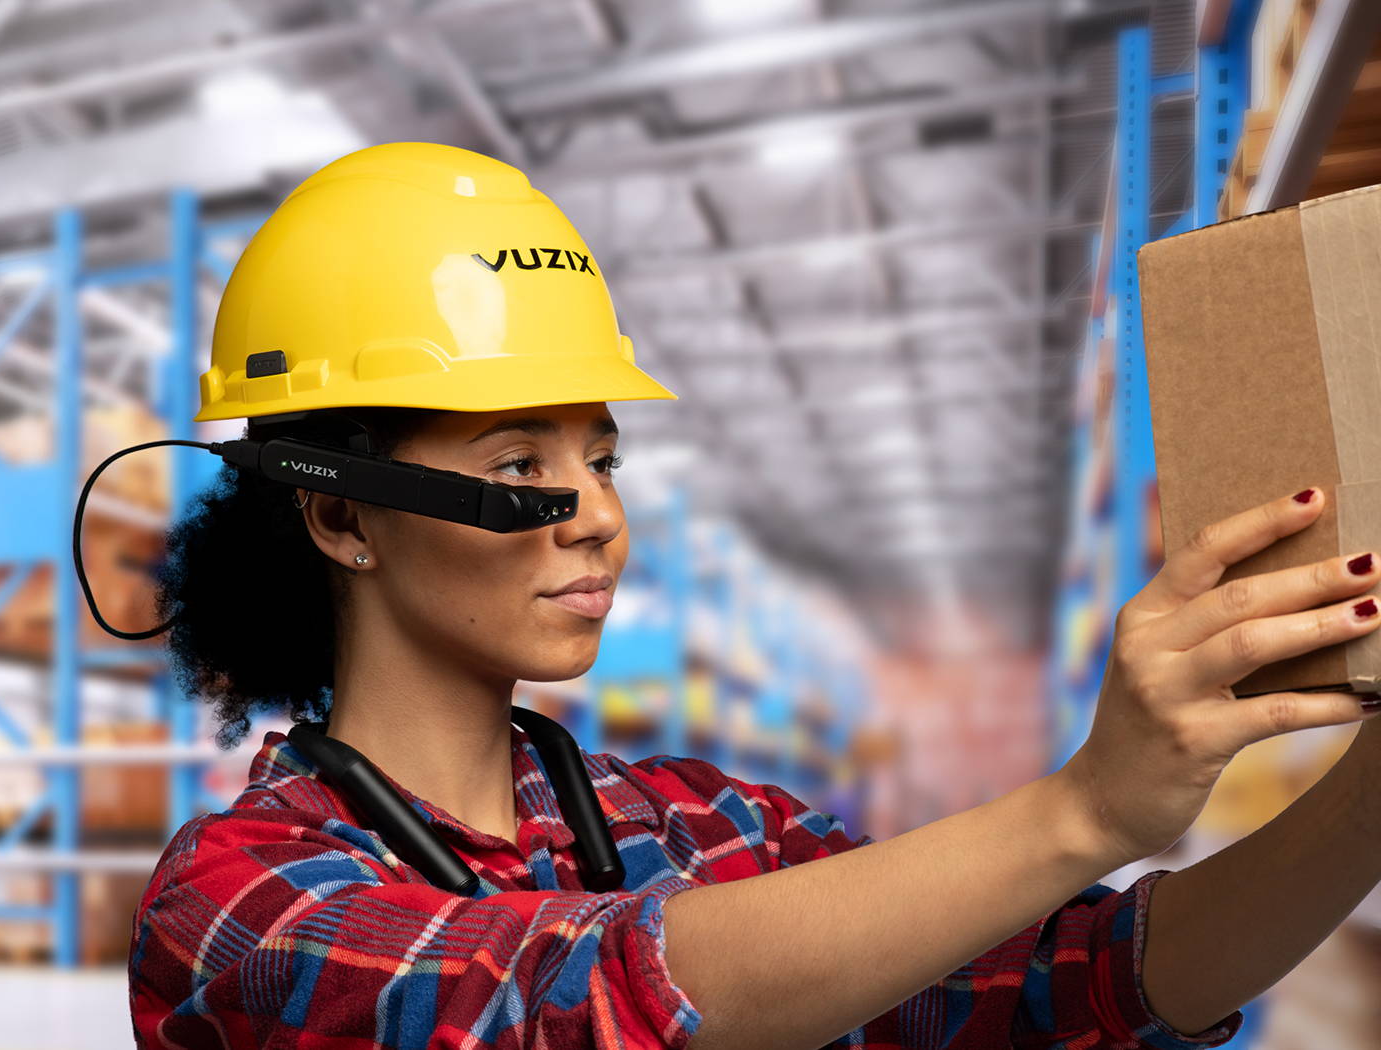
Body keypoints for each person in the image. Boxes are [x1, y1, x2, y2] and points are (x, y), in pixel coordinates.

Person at [124, 141, 1381, 1049]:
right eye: (521, 465)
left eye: (602, 459)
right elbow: (575, 998)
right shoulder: (241, 905)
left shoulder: (709, 832)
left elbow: (1085, 978)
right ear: (342, 515)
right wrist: (1087, 805)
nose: (601, 512)